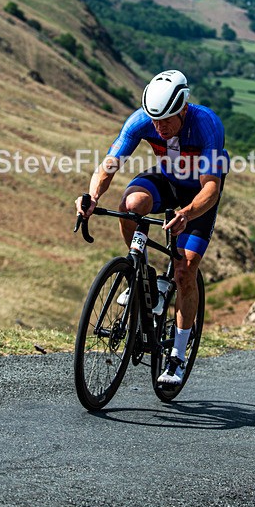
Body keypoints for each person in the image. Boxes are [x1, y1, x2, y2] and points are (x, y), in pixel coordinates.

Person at [75, 69, 228, 385]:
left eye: (166, 120)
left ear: (183, 107)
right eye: (154, 120)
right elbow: (108, 167)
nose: (159, 128)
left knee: (185, 269)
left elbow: (211, 188)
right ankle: (142, 278)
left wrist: (186, 213)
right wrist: (91, 196)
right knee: (130, 207)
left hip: (199, 195)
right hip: (169, 181)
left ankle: (178, 357)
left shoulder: (207, 124)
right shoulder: (140, 122)